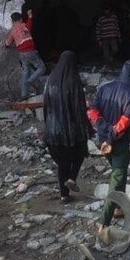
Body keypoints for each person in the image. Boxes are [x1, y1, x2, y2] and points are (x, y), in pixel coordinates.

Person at [89, 61, 130, 230]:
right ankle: (104, 221)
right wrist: (112, 136)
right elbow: (124, 123)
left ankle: (120, 208)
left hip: (102, 142)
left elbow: (93, 113)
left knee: (120, 174)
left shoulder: (104, 88)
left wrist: (104, 130)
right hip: (118, 144)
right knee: (116, 181)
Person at [43, 51, 94, 203]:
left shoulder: (50, 80)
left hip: (52, 131)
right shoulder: (73, 81)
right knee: (79, 154)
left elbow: (45, 106)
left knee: (62, 164)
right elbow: (79, 109)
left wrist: (47, 126)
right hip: (70, 131)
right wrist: (87, 128)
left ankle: (64, 195)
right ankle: (72, 179)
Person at [4, 11, 46, 99]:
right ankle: (29, 82)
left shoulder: (13, 31)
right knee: (42, 68)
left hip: (22, 53)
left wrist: (8, 45)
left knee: (26, 72)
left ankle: (24, 94)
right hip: (30, 51)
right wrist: (30, 17)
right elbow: (28, 27)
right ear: (21, 19)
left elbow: (7, 43)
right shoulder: (22, 25)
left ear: (12, 21)